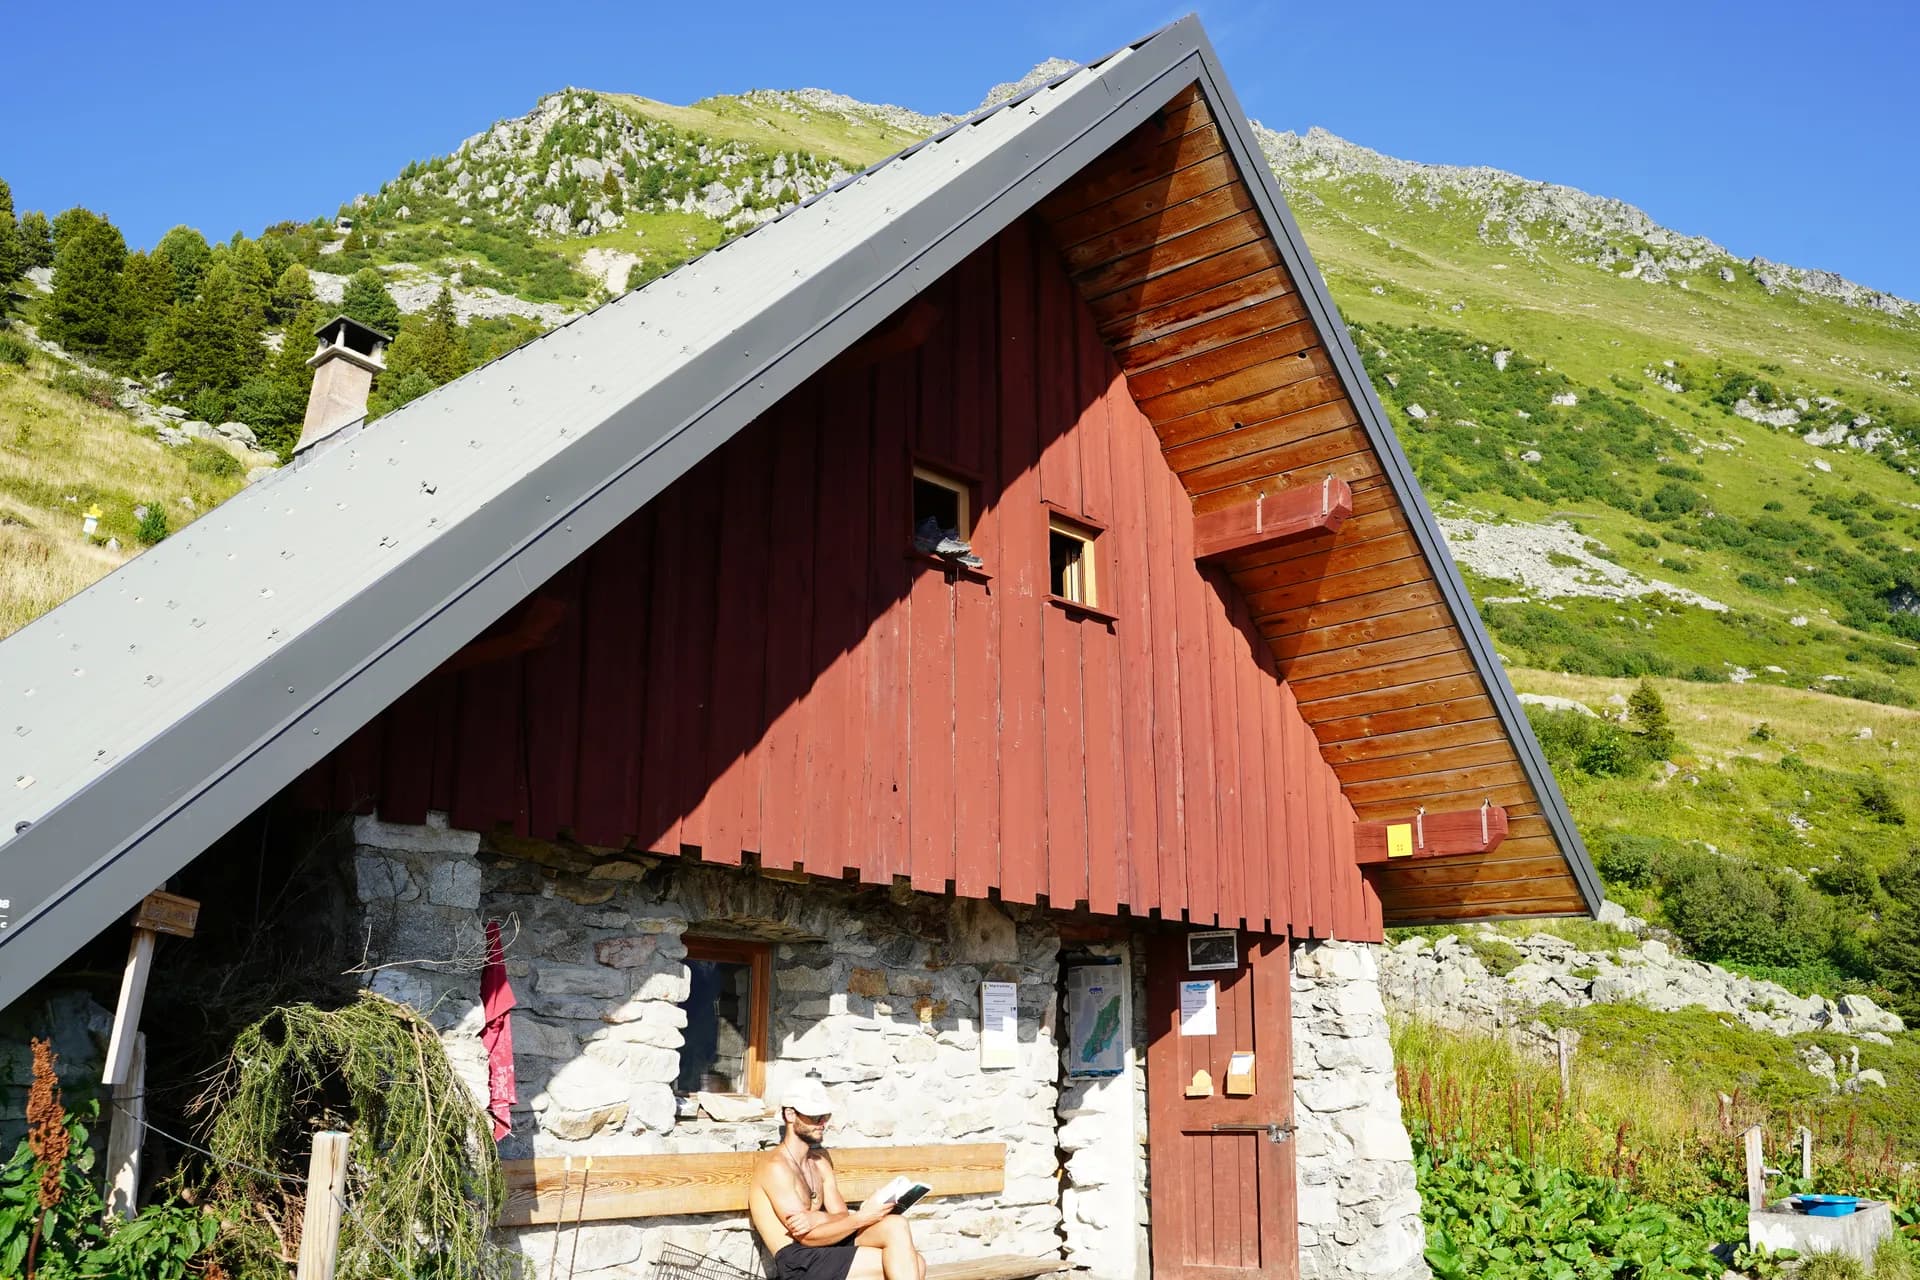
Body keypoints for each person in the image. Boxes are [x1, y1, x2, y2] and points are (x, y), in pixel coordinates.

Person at [748, 1078, 927, 1280]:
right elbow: (807, 1237)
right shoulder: (776, 1168)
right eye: (815, 1116)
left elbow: (841, 1215)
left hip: (827, 1245)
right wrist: (861, 1217)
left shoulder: (819, 1163)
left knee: (896, 1225)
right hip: (797, 1260)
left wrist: (818, 1217)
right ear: (790, 1115)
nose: (823, 1123)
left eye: (825, 1116)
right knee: (907, 1265)